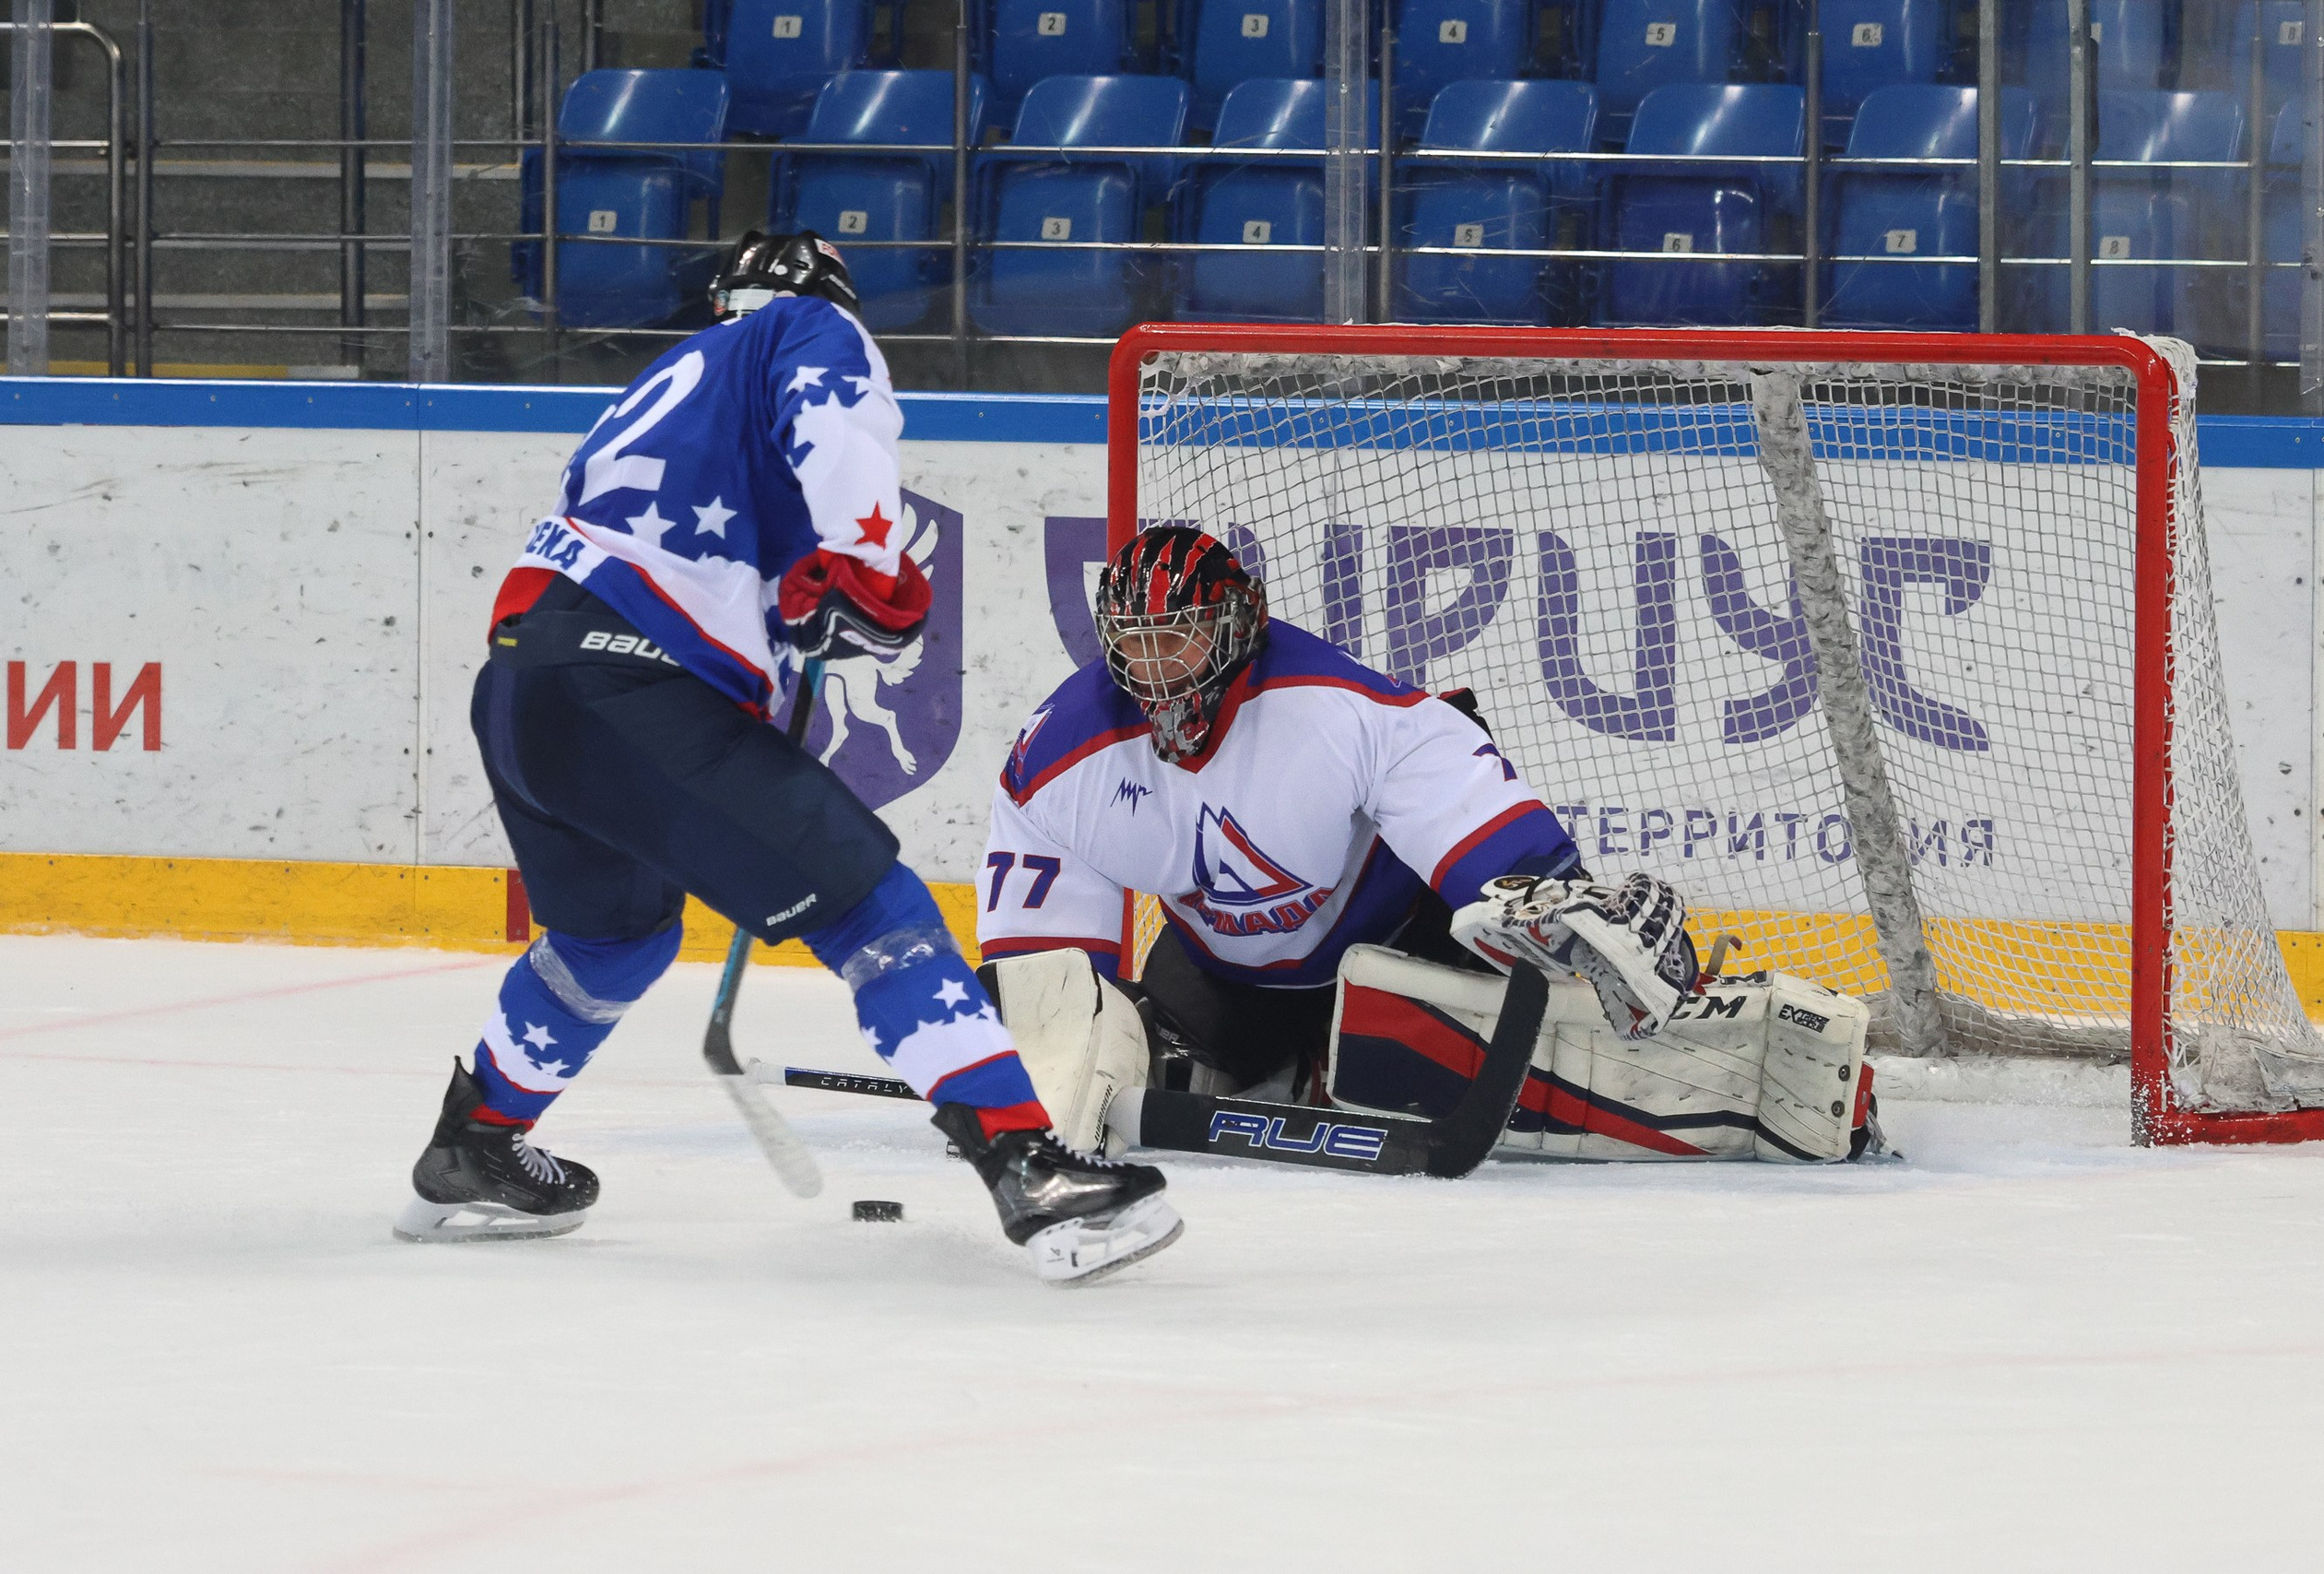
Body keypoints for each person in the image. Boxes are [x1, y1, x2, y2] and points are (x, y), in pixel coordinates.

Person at [393, 231, 1182, 1285]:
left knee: (609, 940)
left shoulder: (671, 386)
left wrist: (799, 614)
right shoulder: (804, 328)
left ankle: (474, 1142)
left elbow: (719, 568)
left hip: (526, 685)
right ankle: (1028, 1167)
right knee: (876, 910)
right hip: (631, 679)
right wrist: (863, 556)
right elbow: (830, 407)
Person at [975, 526, 1699, 1104]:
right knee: (1141, 1075)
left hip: (1394, 957)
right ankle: (1292, 1058)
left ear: (1236, 623)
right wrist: (1040, 1042)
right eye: (1134, 642)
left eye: (1178, 636)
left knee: (1471, 1069)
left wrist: (1544, 893)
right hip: (1224, 981)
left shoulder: (1335, 709)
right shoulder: (1060, 759)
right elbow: (1048, 979)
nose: (1154, 667)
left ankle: (1345, 1058)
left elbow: (1459, 798)